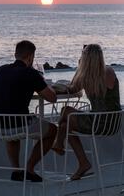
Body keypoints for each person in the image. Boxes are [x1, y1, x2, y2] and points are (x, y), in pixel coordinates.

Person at [0, 40, 58, 182]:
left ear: (15, 54)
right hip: (19, 123)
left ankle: (16, 170)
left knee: (13, 132)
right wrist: (44, 83)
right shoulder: (31, 73)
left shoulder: (0, 70)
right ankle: (30, 169)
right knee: (52, 130)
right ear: (31, 57)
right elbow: (52, 98)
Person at [52, 44, 121, 180]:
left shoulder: (93, 75)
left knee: (66, 110)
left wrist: (80, 68)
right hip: (111, 121)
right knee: (66, 126)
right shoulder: (107, 71)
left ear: (86, 59)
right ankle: (83, 163)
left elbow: (71, 88)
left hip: (100, 122)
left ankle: (58, 143)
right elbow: (72, 89)